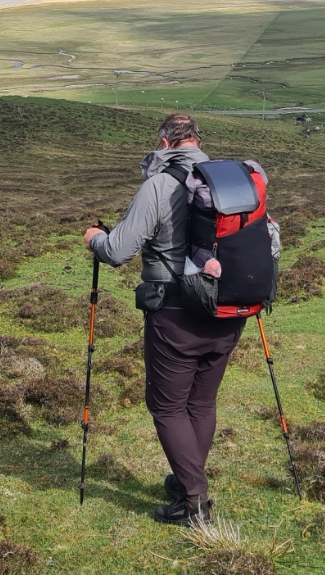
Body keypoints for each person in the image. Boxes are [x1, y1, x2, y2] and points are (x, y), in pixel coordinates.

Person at [83, 112, 244, 525]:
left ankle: (194, 503)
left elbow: (117, 252)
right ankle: (187, 478)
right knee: (201, 401)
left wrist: (95, 239)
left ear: (164, 143)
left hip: (175, 313)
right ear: (197, 140)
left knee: (167, 406)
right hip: (228, 310)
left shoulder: (158, 185)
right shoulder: (231, 183)